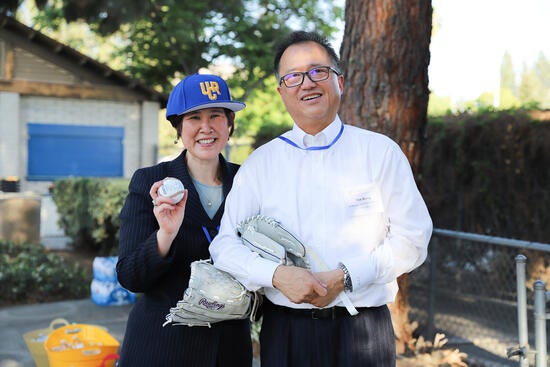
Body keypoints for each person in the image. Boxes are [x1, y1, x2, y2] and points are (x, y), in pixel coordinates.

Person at [209, 31, 433, 367]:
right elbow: (224, 247)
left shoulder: (380, 152)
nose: (307, 83)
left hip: (364, 331)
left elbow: (413, 240)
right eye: (294, 76)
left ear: (339, 81)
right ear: (281, 91)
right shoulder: (261, 163)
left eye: (318, 71)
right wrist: (276, 275)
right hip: (286, 334)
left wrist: (345, 275)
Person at [116, 73, 253, 366]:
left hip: (229, 348)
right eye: (194, 118)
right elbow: (130, 276)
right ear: (179, 127)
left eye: (216, 115)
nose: (206, 127)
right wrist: (165, 235)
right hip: (163, 347)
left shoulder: (248, 180)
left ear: (229, 124)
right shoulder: (150, 181)